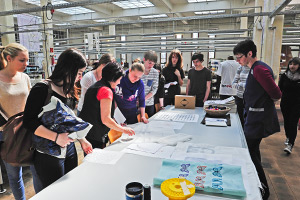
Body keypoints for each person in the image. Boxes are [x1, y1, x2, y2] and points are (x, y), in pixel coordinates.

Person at [23, 48, 93, 190]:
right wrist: (55, 138)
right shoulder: (42, 88)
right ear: (68, 69)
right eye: (79, 73)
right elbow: (29, 121)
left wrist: (82, 140)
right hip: (47, 152)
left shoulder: (70, 90)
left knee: (70, 187)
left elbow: (69, 120)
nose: (80, 77)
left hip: (69, 148)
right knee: (55, 191)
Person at [233, 39, 282, 200]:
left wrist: (262, 106)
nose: (238, 61)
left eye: (239, 57)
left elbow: (276, 94)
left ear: (249, 54)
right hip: (254, 117)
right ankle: (258, 185)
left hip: (258, 119)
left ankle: (263, 189)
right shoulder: (253, 69)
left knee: (249, 153)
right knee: (253, 152)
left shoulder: (259, 69)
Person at [0, 43, 42, 199]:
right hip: (7, 134)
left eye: (27, 60)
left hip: (29, 129)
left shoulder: (25, 77)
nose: (26, 64)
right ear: (9, 58)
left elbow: (31, 102)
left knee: (37, 171)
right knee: (14, 175)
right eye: (22, 60)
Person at [79, 62, 135, 149]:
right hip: (96, 134)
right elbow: (106, 119)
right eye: (119, 79)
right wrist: (123, 129)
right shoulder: (105, 91)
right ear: (113, 78)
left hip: (87, 132)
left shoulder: (95, 86)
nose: (119, 82)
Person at [278, 57, 300, 154]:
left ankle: (290, 144)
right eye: (290, 64)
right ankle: (288, 136)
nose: (292, 66)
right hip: (285, 103)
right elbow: (279, 89)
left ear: (298, 66)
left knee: (293, 123)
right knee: (287, 122)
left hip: (297, 104)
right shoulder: (284, 76)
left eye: (295, 64)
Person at [140, 51, 159, 117]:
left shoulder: (155, 73)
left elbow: (154, 89)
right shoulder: (138, 70)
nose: (151, 66)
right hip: (137, 103)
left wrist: (144, 99)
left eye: (153, 64)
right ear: (144, 59)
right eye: (149, 63)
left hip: (149, 104)